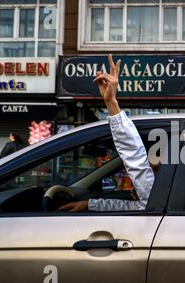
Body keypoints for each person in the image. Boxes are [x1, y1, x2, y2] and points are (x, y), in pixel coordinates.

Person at [58, 54, 154, 212]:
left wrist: (111, 102)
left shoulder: (164, 201)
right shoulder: (161, 201)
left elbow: (135, 158)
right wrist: (88, 204)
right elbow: (133, 207)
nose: (150, 165)